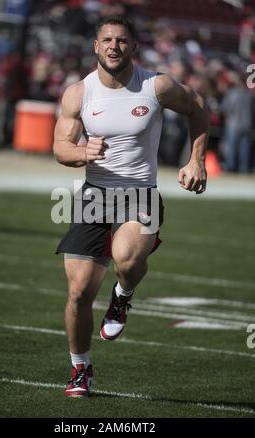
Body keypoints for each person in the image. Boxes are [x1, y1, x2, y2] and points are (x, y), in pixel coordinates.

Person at [53, 16, 209, 397]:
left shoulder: (156, 86)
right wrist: (80, 152)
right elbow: (60, 147)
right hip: (94, 193)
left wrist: (197, 160)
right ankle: (80, 370)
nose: (113, 46)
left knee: (126, 259)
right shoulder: (78, 93)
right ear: (95, 45)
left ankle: (122, 297)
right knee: (77, 294)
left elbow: (198, 107)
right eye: (106, 39)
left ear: (133, 47)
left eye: (122, 40)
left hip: (140, 193)